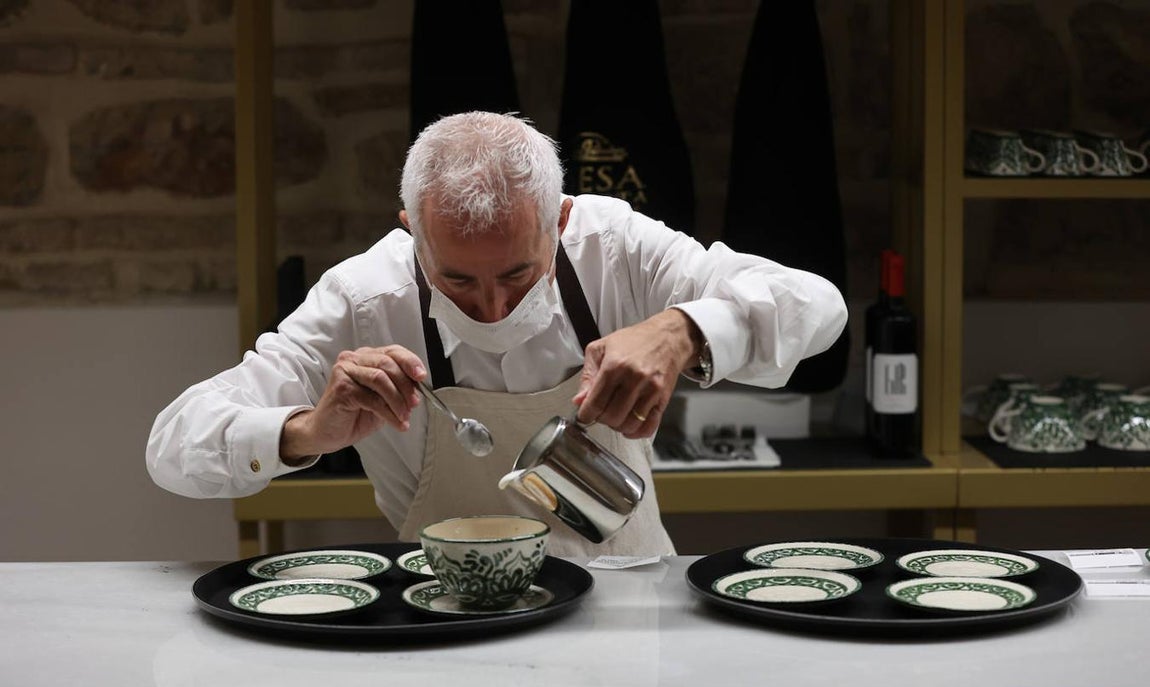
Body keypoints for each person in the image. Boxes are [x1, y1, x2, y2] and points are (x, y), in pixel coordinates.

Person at [146, 111, 848, 558]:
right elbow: (172, 446)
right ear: (409, 231)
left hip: (628, 603)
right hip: (442, 620)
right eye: (456, 280)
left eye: (517, 274)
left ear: (562, 220)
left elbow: (817, 304)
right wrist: (303, 431)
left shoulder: (618, 249)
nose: (490, 306)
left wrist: (682, 328)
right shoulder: (363, 296)